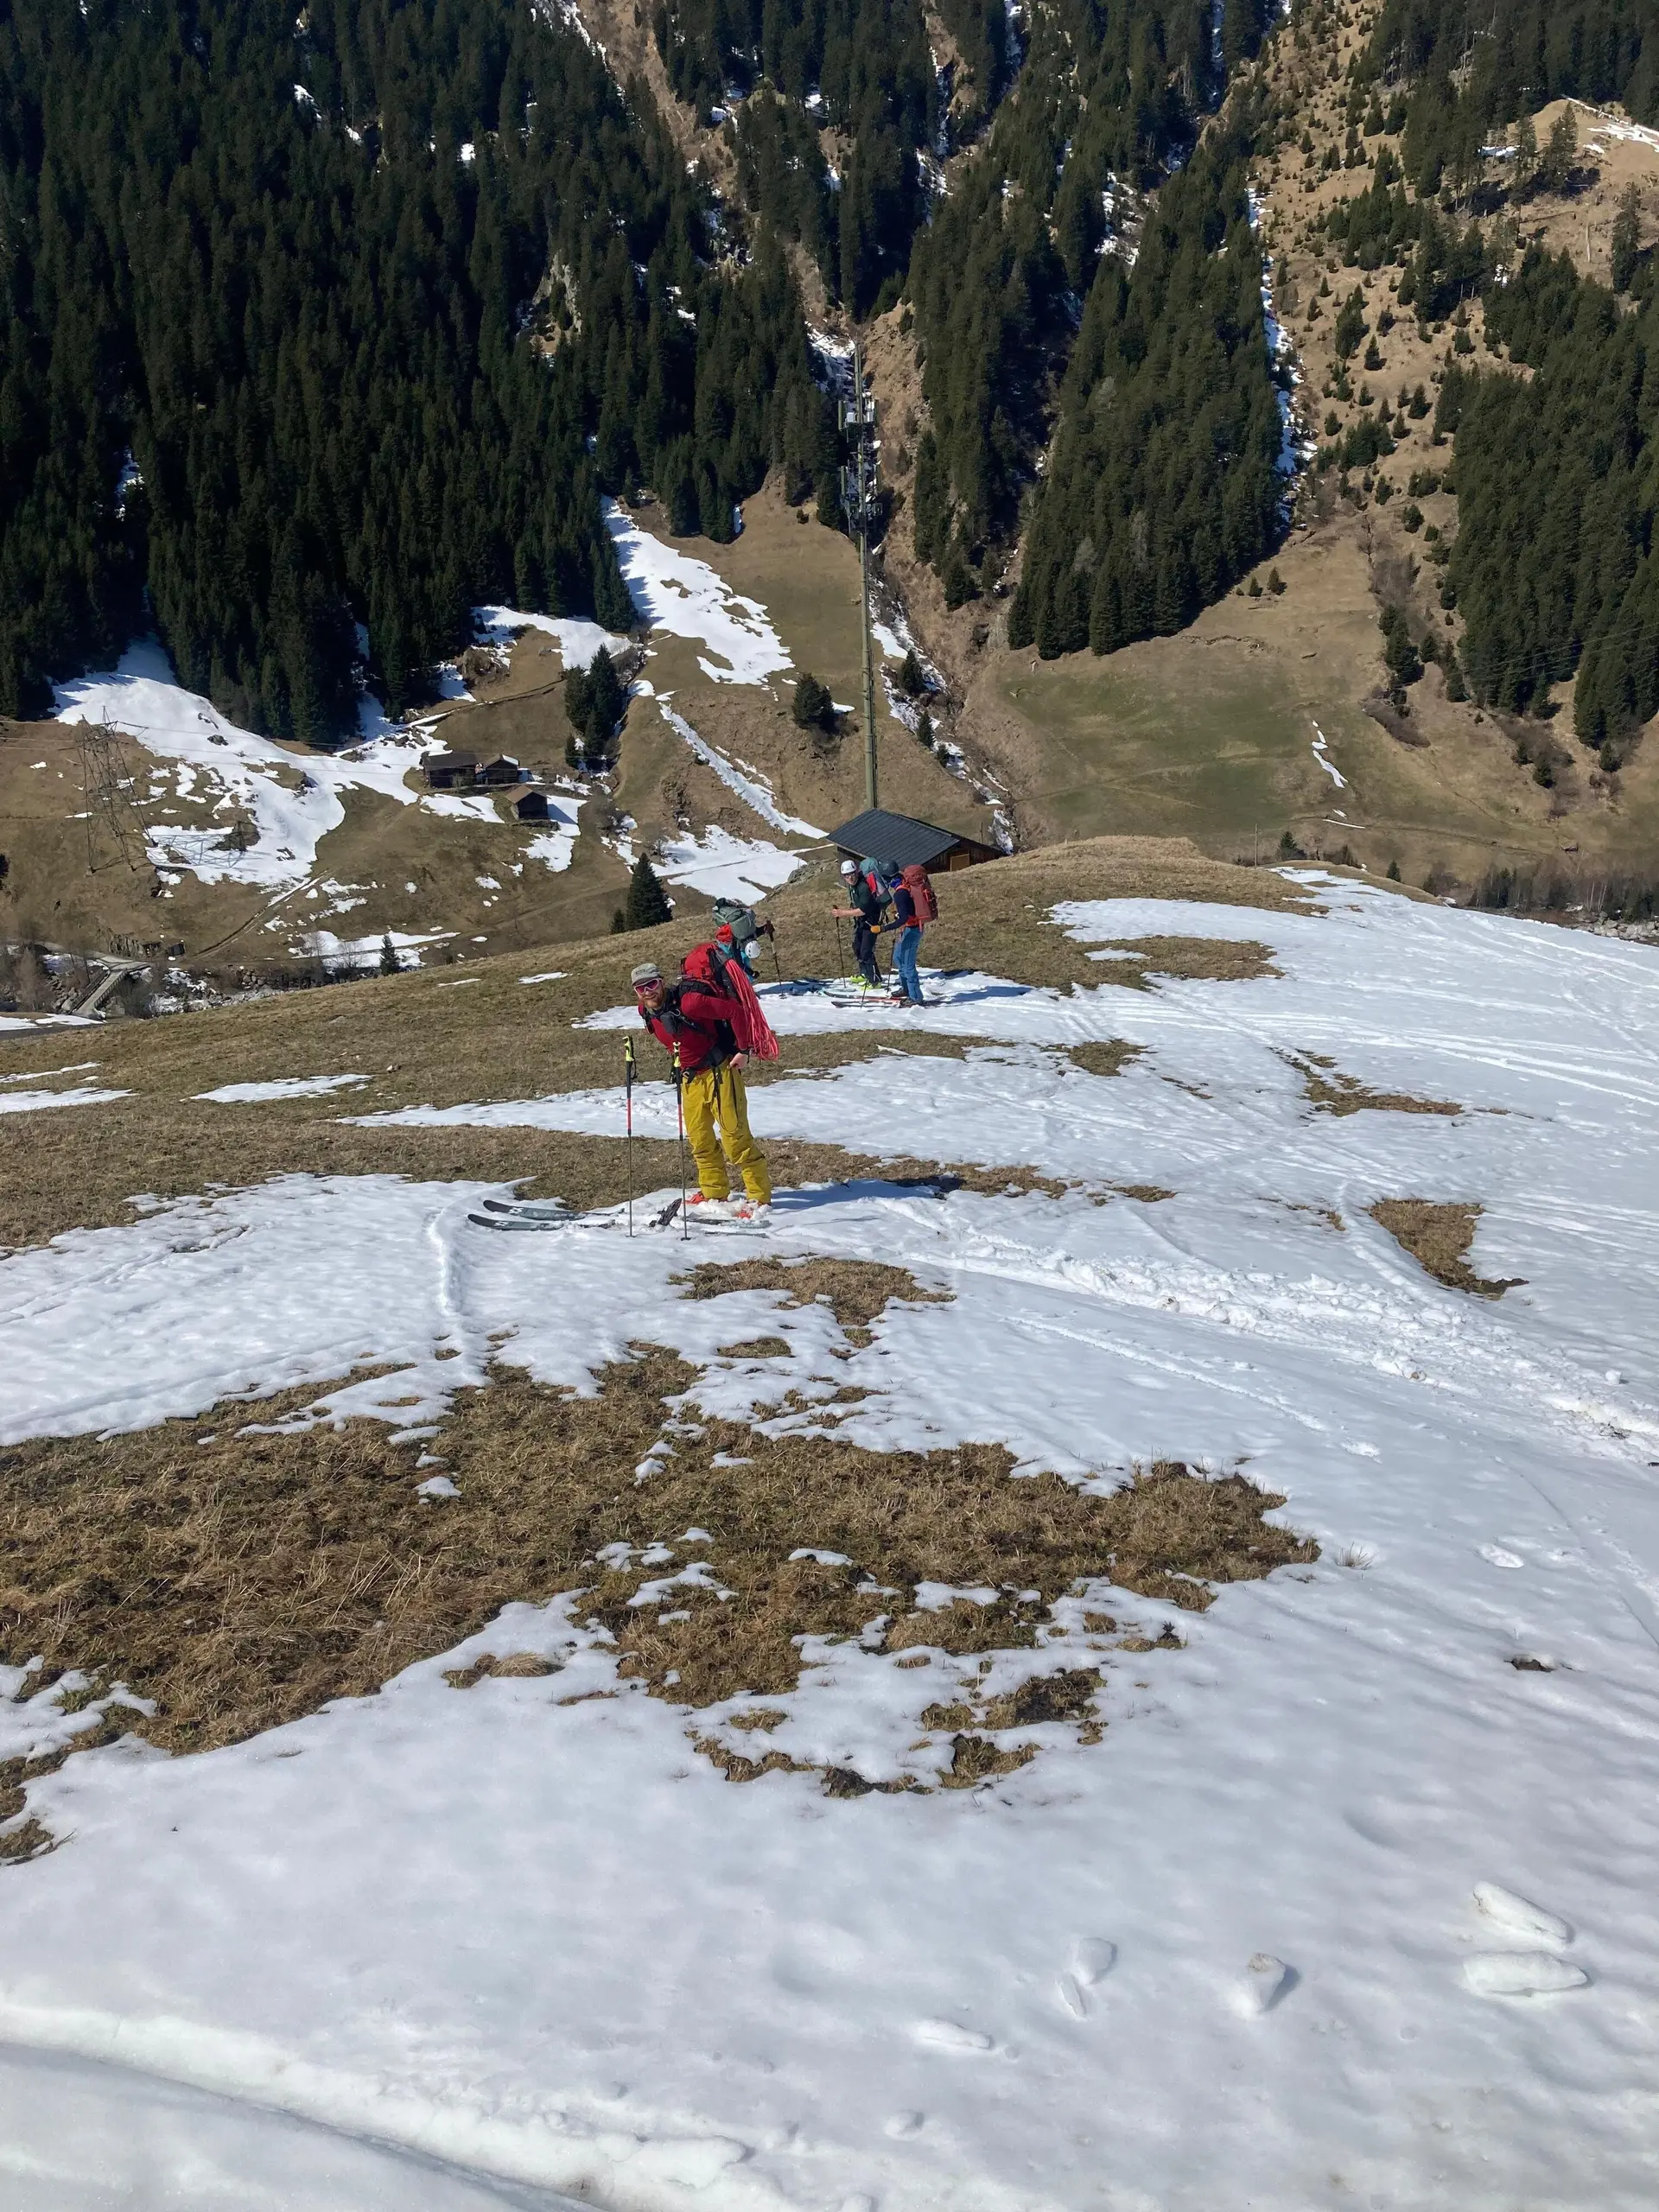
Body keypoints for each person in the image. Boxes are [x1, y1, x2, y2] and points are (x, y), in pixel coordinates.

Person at [631, 958, 772, 1217]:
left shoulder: (690, 1002)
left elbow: (735, 1012)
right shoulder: (646, 1012)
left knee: (735, 1138)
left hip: (720, 1073)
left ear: (662, 982)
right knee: (700, 1140)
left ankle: (758, 1197)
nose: (648, 991)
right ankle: (713, 1191)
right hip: (689, 1079)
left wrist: (743, 1051)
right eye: (641, 988)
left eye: (651, 984)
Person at [830, 856, 886, 989]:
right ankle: (865, 973)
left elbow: (863, 910)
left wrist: (843, 913)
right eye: (846, 875)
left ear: (856, 872)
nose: (850, 877)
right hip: (862, 922)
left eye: (851, 874)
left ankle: (875, 981)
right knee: (857, 947)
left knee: (866, 951)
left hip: (871, 922)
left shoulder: (863, 887)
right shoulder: (853, 886)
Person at [887, 866, 926, 1006]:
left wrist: (884, 928)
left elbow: (903, 918)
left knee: (908, 964)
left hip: (913, 930)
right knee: (898, 956)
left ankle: (916, 997)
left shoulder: (900, 894)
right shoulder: (904, 887)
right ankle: (906, 989)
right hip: (911, 927)